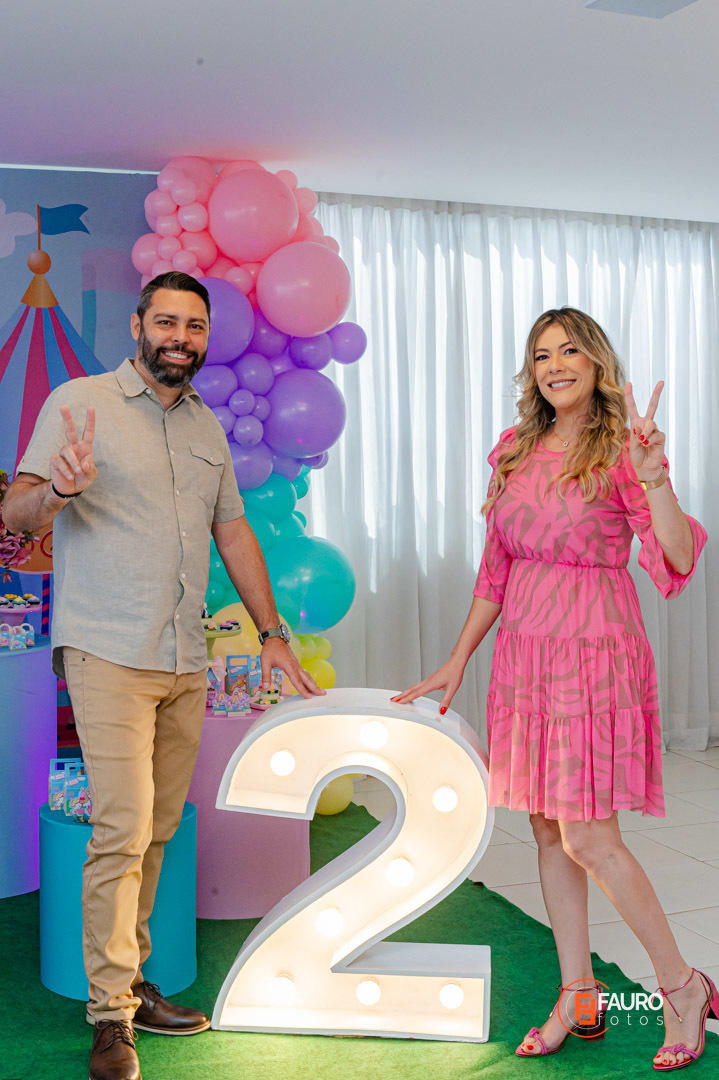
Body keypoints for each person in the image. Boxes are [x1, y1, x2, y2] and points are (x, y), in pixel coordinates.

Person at [4, 271, 324, 1080]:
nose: (180, 336)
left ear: (205, 338)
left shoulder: (205, 425)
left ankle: (134, 979)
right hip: (107, 651)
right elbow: (16, 511)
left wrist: (271, 632)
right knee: (120, 829)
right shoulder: (80, 403)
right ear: (139, 325)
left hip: (185, 656)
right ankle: (110, 1014)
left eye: (194, 325)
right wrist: (60, 490)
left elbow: (234, 531)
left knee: (156, 829)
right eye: (167, 321)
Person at [392, 308, 717, 1071]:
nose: (554, 364)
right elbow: (495, 570)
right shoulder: (513, 448)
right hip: (525, 657)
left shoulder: (622, 451)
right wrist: (457, 659)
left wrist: (654, 474)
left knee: (590, 837)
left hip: (592, 653)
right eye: (541, 354)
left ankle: (681, 986)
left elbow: (674, 557)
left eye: (569, 350)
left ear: (596, 362)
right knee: (545, 831)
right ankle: (578, 993)